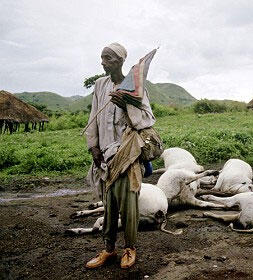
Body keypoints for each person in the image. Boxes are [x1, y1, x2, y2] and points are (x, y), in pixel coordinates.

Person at [84, 42, 156, 269]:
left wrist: (126, 106)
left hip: (127, 154)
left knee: (128, 205)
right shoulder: (100, 85)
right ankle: (108, 250)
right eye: (102, 58)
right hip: (105, 155)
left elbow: (147, 119)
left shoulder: (136, 88)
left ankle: (129, 248)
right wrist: (93, 146)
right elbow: (94, 116)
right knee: (109, 204)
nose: (103, 62)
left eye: (108, 58)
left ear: (121, 61)